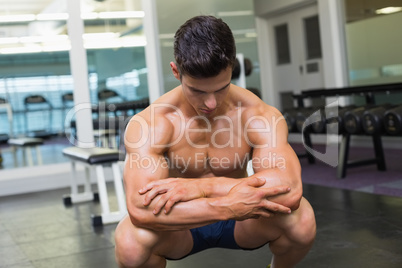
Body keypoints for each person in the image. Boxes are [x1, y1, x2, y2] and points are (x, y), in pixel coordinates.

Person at [115, 15, 316, 268]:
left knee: (302, 220)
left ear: (232, 68)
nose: (211, 103)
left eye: (221, 87)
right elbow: (140, 210)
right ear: (176, 71)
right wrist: (227, 206)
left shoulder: (258, 115)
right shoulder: (152, 124)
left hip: (245, 218)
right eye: (198, 91)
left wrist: (200, 189)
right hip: (182, 222)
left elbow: (290, 192)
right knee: (130, 243)